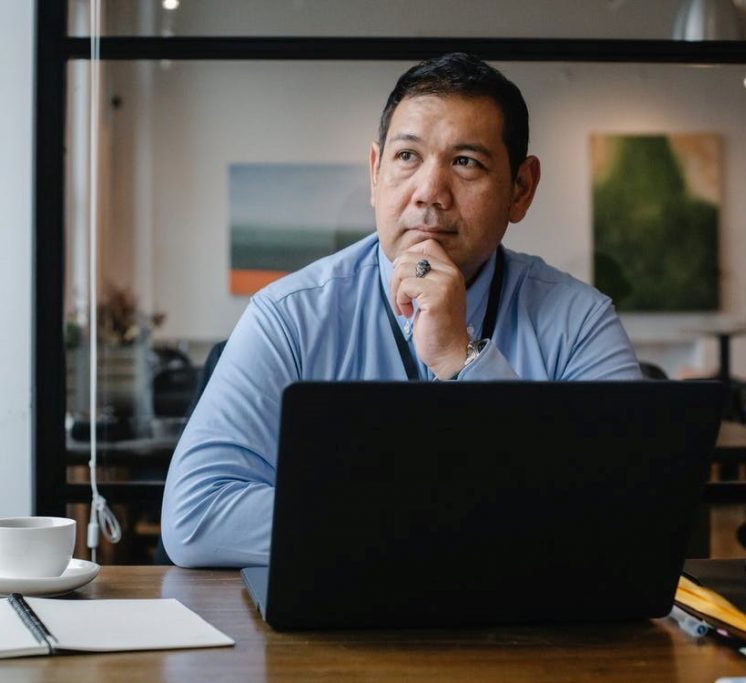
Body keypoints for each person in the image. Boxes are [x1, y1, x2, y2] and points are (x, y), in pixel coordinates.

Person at [161, 52, 642, 568]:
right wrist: (430, 518)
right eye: (408, 157)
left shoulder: (579, 322)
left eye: (466, 162)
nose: (430, 193)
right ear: (375, 172)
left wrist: (464, 359)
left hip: (522, 637)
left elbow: (631, 514)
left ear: (520, 190)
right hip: (334, 636)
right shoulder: (290, 316)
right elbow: (196, 515)